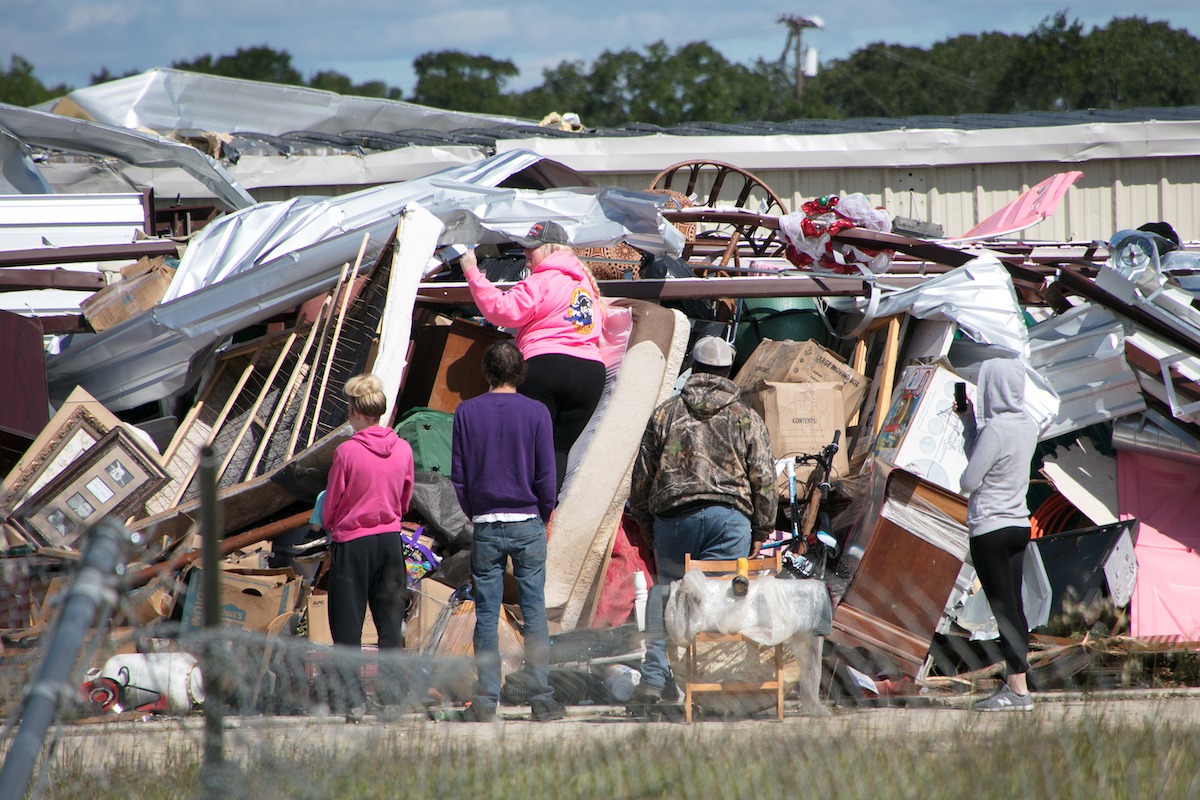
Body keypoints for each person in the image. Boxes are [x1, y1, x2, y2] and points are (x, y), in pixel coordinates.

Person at [627, 335, 776, 704]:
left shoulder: (665, 413)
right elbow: (764, 478)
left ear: (692, 368)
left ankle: (653, 680)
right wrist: (762, 527)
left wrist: (649, 527)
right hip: (729, 520)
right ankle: (715, 688)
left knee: (668, 597)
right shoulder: (745, 417)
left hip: (674, 520)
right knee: (722, 601)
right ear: (727, 370)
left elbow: (641, 479)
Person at [451, 340, 565, 722]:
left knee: (486, 614)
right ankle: (541, 699)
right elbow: (546, 476)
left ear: (486, 371)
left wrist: (476, 512)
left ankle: (485, 701)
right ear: (520, 372)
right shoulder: (536, 413)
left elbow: (460, 477)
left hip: (485, 523)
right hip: (527, 521)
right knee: (534, 613)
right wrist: (543, 514)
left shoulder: (466, 412)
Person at [460, 221, 607, 494]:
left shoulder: (542, 279)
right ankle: (542, 521)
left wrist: (472, 274)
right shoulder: (585, 284)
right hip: (590, 375)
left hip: (546, 367)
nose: (526, 254)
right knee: (557, 450)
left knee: (527, 448)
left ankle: (518, 513)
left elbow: (503, 310)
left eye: (532, 249)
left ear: (552, 249)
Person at [322, 373, 415, 722]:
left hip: (353, 542)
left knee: (348, 624)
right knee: (389, 622)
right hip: (390, 541)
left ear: (354, 410)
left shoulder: (346, 452)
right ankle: (391, 698)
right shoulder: (403, 448)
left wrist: (331, 523)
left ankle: (352, 701)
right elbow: (405, 497)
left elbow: (332, 504)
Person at [957, 357, 1039, 712]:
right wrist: (969, 423)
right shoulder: (1028, 424)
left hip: (989, 527)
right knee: (1014, 607)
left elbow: (969, 480)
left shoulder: (995, 429)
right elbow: (994, 460)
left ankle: (1018, 691)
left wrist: (975, 429)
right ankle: (1016, 685)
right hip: (1018, 526)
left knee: (1002, 610)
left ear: (991, 388)